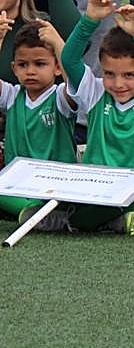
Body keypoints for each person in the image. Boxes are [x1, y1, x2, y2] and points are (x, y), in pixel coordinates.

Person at [60, 0, 134, 233]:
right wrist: (90, 20)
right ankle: (110, 223)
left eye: (129, 75)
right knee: (67, 183)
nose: (118, 83)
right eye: (109, 74)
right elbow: (69, 59)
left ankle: (77, 222)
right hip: (100, 187)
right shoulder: (95, 94)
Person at [0, 23, 78, 225]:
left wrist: (58, 44)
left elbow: (76, 87)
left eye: (40, 64)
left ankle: (39, 215)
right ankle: (35, 214)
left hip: (56, 186)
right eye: (23, 65)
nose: (30, 71)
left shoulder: (60, 98)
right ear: (13, 68)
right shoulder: (12, 96)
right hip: (18, 186)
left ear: (58, 67)